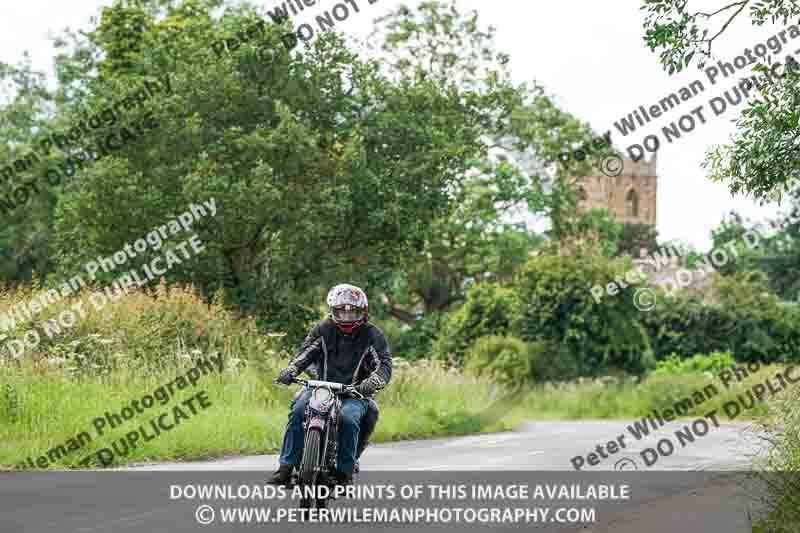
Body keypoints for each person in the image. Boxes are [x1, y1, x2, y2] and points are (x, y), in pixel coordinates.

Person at [268, 284, 392, 486]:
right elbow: (304, 354)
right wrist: (291, 370)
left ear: (364, 312)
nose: (346, 316)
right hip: (319, 388)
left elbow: (384, 365)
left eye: (353, 312)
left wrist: (373, 382)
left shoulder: (372, 335)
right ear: (332, 310)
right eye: (341, 311)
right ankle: (285, 467)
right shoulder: (323, 328)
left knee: (349, 419)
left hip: (354, 393)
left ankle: (344, 472)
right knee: (299, 410)